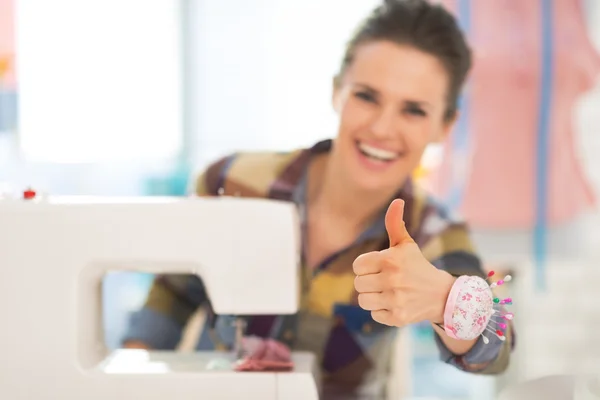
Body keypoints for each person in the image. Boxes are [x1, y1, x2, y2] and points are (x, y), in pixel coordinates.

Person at [122, 0, 514, 398]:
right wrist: (123, 378)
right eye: (367, 97)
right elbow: (172, 294)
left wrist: (448, 300)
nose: (382, 128)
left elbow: (498, 344)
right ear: (336, 92)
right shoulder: (230, 183)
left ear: (444, 126)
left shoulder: (435, 232)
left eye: (413, 111)